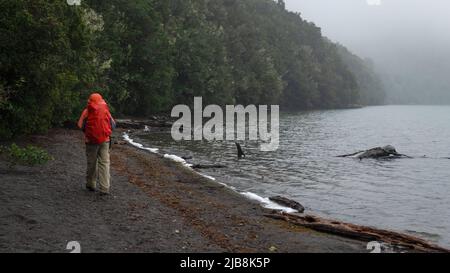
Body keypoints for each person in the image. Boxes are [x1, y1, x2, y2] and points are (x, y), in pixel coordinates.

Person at [77, 93, 116, 195]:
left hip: (90, 142)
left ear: (90, 100)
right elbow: (113, 124)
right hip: (105, 140)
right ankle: (105, 188)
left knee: (92, 163)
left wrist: (88, 133)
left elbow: (80, 125)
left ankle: (91, 184)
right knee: (104, 163)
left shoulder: (87, 111)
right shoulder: (105, 109)